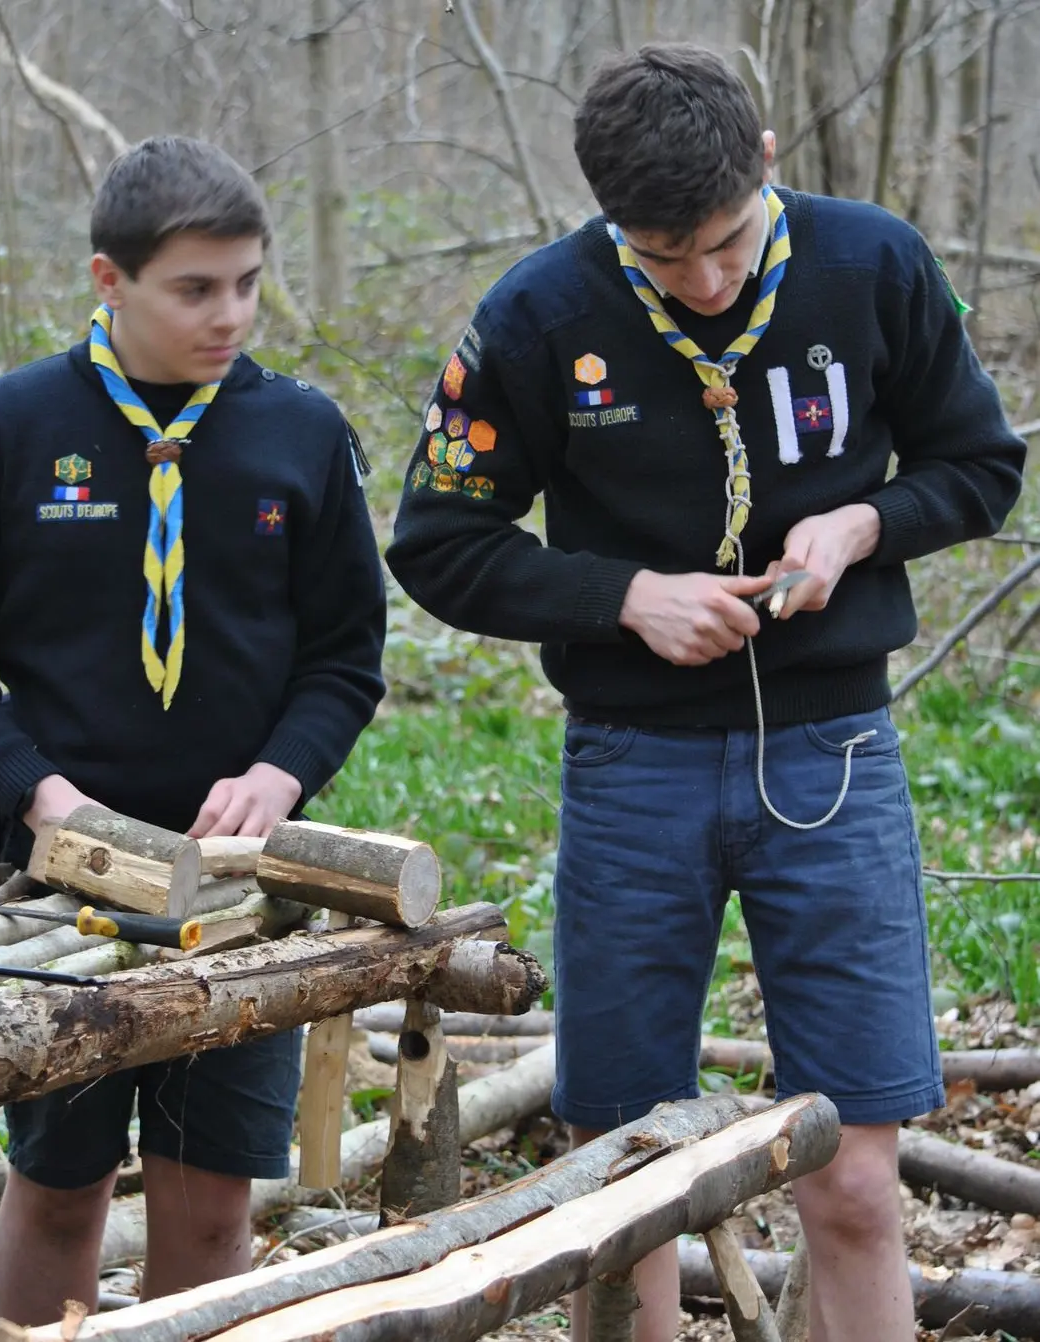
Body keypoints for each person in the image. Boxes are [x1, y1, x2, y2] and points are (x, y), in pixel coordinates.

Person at [386, 43, 1025, 1342]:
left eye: (727, 242)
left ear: (769, 167)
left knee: (851, 1171)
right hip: (633, 763)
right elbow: (437, 539)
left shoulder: (872, 266)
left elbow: (978, 462)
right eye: (665, 257)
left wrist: (864, 525)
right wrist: (622, 595)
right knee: (626, 1176)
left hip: (833, 755)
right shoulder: (537, 314)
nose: (708, 280)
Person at [0, 135, 386, 1326]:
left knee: (212, 1201)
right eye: (196, 288)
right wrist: (39, 794)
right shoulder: (4, 428)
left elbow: (343, 659)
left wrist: (281, 769)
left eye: (249, 282)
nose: (231, 314)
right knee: (60, 1186)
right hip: (63, 884)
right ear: (109, 281)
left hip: (242, 883)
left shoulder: (300, 434)